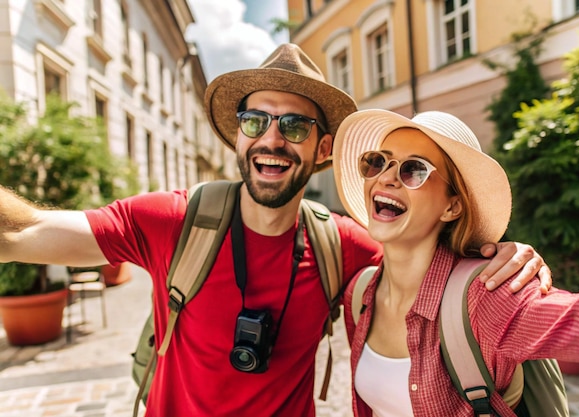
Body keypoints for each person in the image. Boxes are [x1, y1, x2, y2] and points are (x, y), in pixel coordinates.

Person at [0, 44, 549, 417]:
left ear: (323, 149)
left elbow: (434, 264)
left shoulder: (347, 246)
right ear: (238, 137)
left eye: (294, 125)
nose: (272, 139)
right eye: (256, 121)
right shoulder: (172, 221)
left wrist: (506, 256)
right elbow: (24, 233)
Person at [332, 108, 579, 416]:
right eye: (378, 161)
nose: (387, 177)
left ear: (452, 206)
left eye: (414, 170)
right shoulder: (359, 294)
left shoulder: (487, 295)